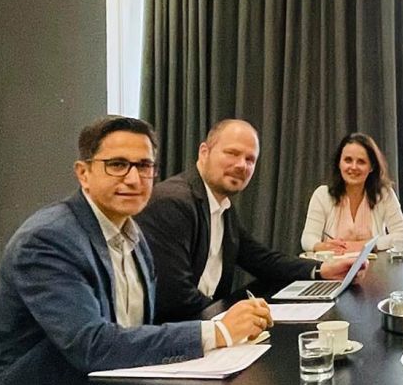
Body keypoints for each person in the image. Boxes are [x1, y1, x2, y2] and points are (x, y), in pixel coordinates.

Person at [0, 116, 272, 385]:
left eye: (144, 166)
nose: (133, 178)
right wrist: (216, 332)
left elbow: (134, 329)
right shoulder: (48, 240)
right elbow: (92, 345)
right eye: (117, 165)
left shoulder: (132, 235)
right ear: (83, 173)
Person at [137, 119, 360, 323]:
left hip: (207, 325)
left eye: (250, 159)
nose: (242, 165)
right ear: (204, 152)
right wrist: (232, 318)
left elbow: (262, 259)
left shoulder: (222, 206)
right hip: (180, 334)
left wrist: (322, 270)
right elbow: (174, 296)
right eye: (232, 153)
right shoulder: (173, 202)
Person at [301, 132, 403, 253]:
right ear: (339, 163)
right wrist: (324, 246)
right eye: (348, 160)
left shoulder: (384, 194)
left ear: (372, 167)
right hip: (334, 263)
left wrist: (367, 246)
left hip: (375, 265)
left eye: (361, 162)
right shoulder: (322, 195)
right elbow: (307, 239)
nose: (353, 167)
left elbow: (402, 237)